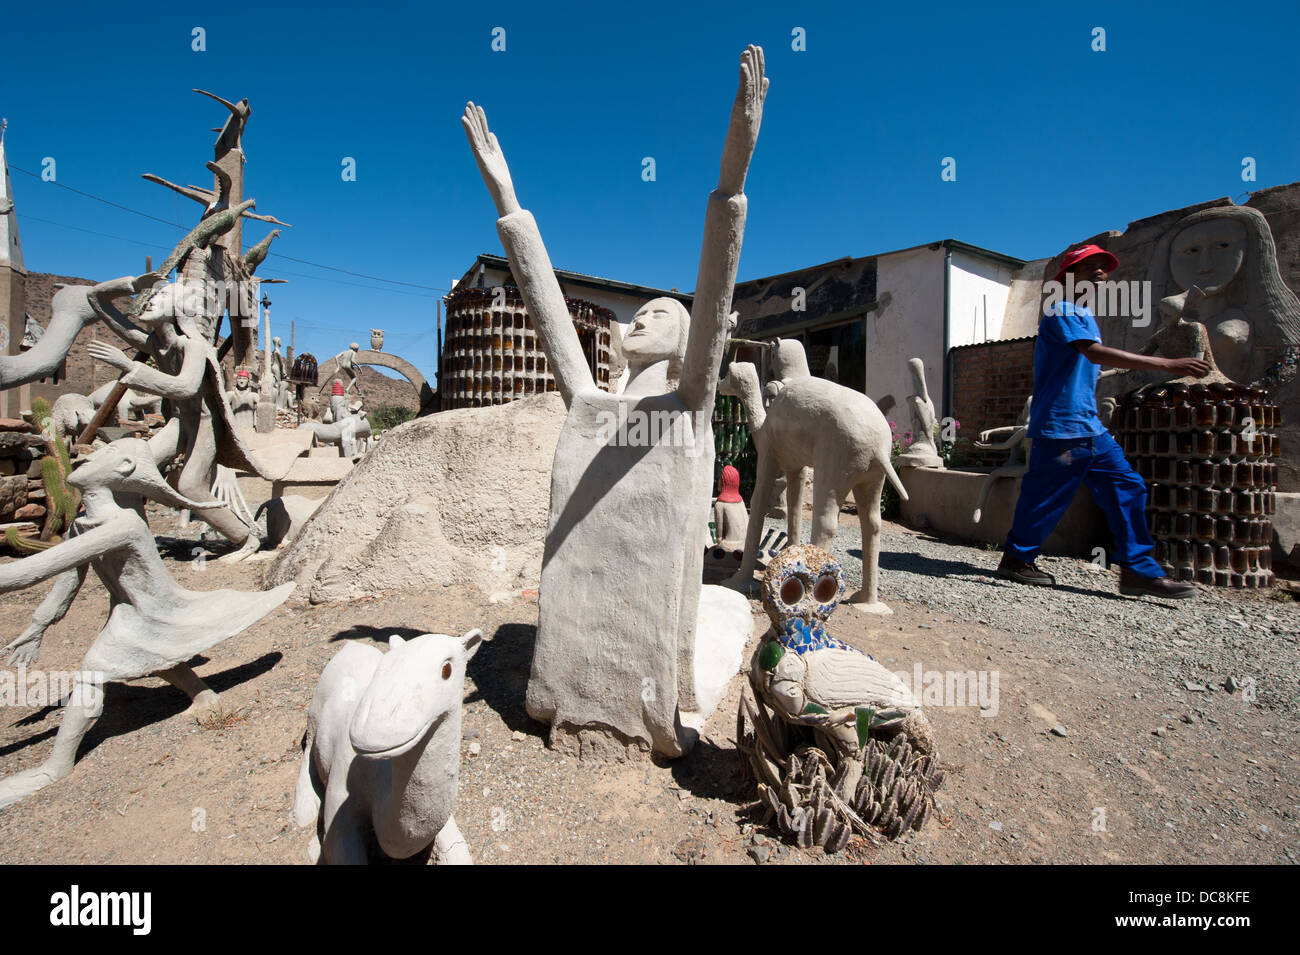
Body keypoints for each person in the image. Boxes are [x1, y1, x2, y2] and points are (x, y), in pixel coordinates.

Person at [997, 244, 1209, 598]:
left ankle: (1139, 572)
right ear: (1068, 275)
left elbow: (1089, 364)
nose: (1100, 272)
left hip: (1090, 427)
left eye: (1103, 267)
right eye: (1090, 266)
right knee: (1046, 497)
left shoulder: (1084, 315)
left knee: (1128, 488)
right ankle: (1016, 560)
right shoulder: (1060, 309)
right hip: (1061, 428)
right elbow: (1092, 353)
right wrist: (1169, 364)